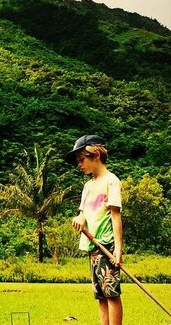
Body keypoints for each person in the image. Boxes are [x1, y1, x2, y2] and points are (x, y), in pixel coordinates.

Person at [67, 135, 123, 325]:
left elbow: (116, 216)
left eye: (82, 160)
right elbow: (82, 213)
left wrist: (118, 248)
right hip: (92, 246)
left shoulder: (111, 181)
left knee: (111, 293)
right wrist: (78, 219)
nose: (79, 165)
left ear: (96, 154)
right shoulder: (88, 186)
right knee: (100, 295)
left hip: (106, 244)